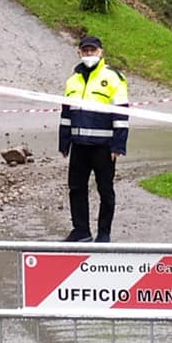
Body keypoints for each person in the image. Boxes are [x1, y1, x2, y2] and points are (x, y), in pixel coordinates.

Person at [58, 36, 129, 242]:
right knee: (76, 188)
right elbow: (66, 114)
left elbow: (121, 115)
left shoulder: (114, 78)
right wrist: (64, 143)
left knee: (105, 190)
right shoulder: (73, 80)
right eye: (85, 51)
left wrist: (118, 145)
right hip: (79, 146)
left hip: (104, 147)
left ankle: (104, 233)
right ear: (80, 53)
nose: (89, 54)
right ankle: (81, 231)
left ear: (101, 52)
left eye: (92, 51)